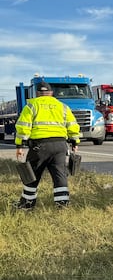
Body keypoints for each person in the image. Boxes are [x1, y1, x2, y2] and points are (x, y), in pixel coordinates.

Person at [14, 81, 80, 209]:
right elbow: (73, 125)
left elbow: (23, 127)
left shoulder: (31, 106)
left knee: (32, 175)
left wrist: (20, 146)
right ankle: (62, 205)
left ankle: (27, 205)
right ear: (51, 93)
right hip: (60, 146)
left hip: (40, 146)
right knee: (60, 175)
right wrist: (74, 141)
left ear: (37, 94)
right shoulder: (62, 106)